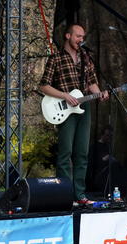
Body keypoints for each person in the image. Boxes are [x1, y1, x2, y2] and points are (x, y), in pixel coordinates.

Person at [39, 23, 108, 205]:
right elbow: (43, 85)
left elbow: (92, 82)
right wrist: (64, 96)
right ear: (68, 36)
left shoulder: (86, 58)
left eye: (82, 37)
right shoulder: (56, 58)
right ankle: (64, 194)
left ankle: (80, 194)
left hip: (83, 108)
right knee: (65, 152)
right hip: (64, 109)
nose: (81, 40)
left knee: (82, 153)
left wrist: (99, 92)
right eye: (78, 36)